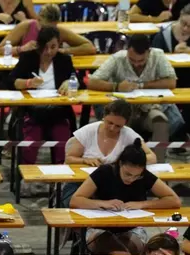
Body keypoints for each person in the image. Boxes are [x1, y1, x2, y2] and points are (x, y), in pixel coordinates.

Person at [70, 140, 181, 254]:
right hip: (99, 228)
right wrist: (103, 203)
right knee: (118, 252)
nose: (131, 179)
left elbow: (174, 200)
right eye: (128, 174)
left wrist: (142, 204)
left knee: (127, 251)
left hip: (133, 229)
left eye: (137, 176)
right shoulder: (104, 172)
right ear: (120, 164)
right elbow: (75, 200)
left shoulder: (145, 176)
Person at [88, 34, 182, 162]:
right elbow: (92, 81)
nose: (136, 64)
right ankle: (121, 164)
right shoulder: (118, 58)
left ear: (149, 52)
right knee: (119, 124)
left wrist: (142, 85)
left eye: (141, 61)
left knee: (160, 121)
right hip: (124, 111)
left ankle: (157, 164)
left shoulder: (158, 55)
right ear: (127, 50)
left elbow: (171, 82)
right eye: (132, 60)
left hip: (150, 108)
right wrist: (116, 86)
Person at [6, 26, 74, 165]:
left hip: (58, 112)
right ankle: (24, 174)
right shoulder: (28, 58)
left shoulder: (64, 60)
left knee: (64, 146)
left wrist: (70, 82)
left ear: (59, 45)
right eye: (45, 47)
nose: (49, 51)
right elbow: (11, 81)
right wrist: (28, 83)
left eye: (53, 47)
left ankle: (61, 176)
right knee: (29, 147)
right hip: (32, 113)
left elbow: (78, 81)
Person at [65, 99, 155, 167]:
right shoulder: (87, 131)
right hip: (82, 181)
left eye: (118, 126)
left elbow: (152, 157)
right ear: (104, 116)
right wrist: (84, 160)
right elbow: (69, 159)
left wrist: (128, 161)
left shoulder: (129, 134)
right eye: (110, 123)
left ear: (125, 124)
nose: (112, 128)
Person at [0, 5, 95, 57]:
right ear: (38, 19)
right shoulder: (25, 27)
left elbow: (90, 47)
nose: (48, 32)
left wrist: (64, 51)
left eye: (52, 29)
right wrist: (21, 49)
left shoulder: (59, 31)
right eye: (44, 28)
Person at [152, 4, 190, 128]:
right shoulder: (163, 35)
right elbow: (154, 62)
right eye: (183, 23)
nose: (186, 29)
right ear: (179, 17)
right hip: (167, 80)